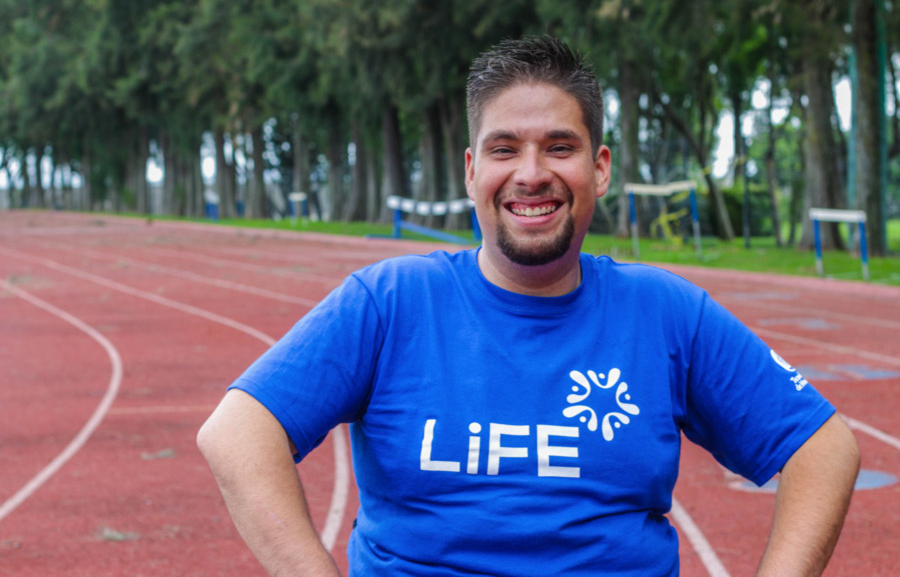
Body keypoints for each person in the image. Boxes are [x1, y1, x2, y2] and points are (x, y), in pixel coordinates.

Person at [197, 36, 860, 576]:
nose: (532, 173)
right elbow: (236, 433)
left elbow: (823, 448)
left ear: (599, 168)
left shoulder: (665, 313)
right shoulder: (391, 301)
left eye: (559, 147)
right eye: (505, 148)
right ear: (471, 171)